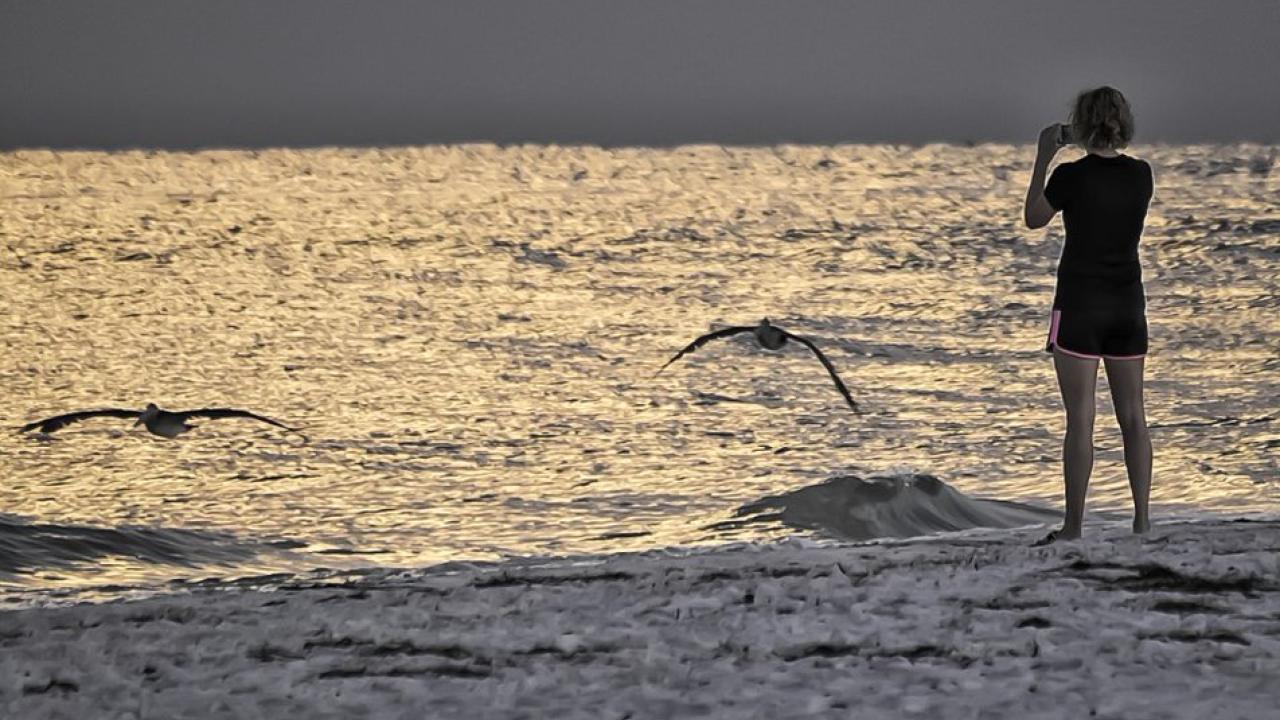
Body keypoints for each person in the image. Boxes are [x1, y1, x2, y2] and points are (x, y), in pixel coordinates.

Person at [1023, 86, 1154, 544]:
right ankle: (1141, 521)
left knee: (1080, 419)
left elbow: (1034, 218)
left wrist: (1044, 156)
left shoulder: (1070, 177)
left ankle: (1074, 526)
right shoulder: (1142, 175)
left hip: (1079, 305)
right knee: (1133, 416)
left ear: (1080, 124)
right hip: (1127, 305)